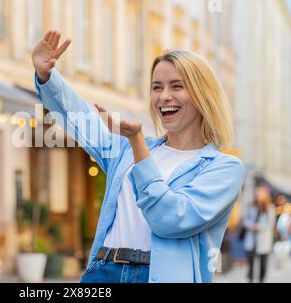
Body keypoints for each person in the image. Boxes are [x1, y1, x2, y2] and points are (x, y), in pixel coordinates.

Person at [32, 31, 245, 283]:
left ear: (203, 95)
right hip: (104, 272)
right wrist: (47, 76)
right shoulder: (125, 151)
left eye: (177, 86)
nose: (164, 96)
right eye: (157, 87)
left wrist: (137, 142)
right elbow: (79, 117)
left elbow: (170, 218)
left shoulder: (223, 168)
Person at [242, 186, 275, 282]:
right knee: (250, 261)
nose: (259, 196)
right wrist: (250, 225)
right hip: (251, 238)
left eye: (261, 194)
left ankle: (262, 279)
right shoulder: (250, 206)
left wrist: (258, 226)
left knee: (263, 263)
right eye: (257, 194)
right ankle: (250, 278)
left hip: (263, 239)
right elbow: (244, 220)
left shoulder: (270, 208)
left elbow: (270, 223)